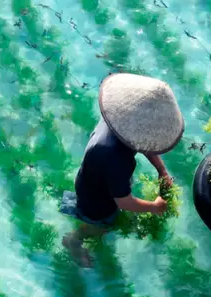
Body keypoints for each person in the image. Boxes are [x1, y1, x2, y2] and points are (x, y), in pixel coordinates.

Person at [60, 73, 184, 266]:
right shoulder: (115, 158)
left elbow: (144, 143)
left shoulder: (118, 119)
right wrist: (155, 207)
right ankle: (73, 241)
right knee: (101, 225)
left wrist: (162, 170)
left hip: (93, 177)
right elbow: (124, 202)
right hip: (98, 200)